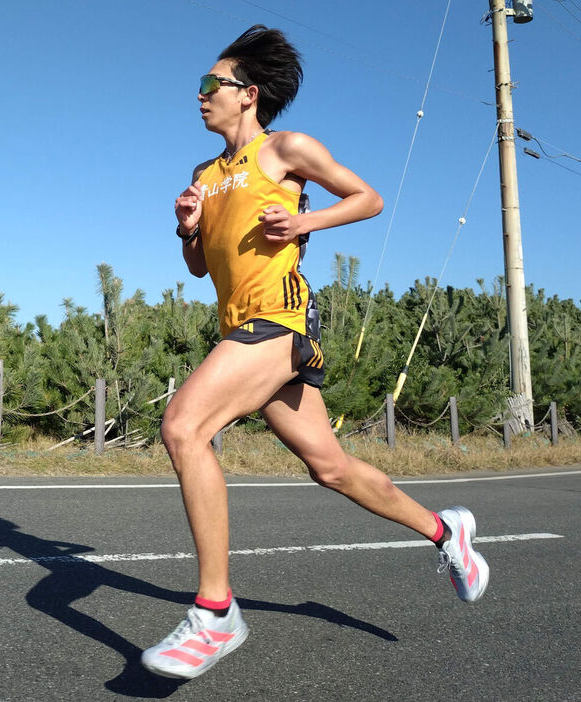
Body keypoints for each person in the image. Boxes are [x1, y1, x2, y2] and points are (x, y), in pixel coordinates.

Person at [141, 25, 489, 680]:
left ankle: (215, 612)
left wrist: (305, 221)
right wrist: (186, 228)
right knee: (330, 467)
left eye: (209, 84)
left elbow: (369, 198)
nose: (200, 95)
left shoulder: (286, 149)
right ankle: (447, 533)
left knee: (184, 426)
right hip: (241, 329)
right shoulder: (204, 174)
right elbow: (197, 266)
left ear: (248, 93)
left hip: (281, 321)